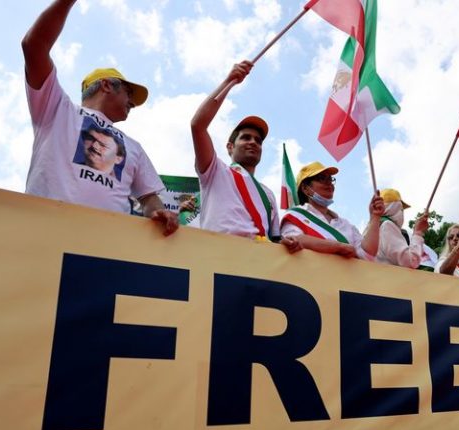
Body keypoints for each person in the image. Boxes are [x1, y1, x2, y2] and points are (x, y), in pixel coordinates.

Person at [22, 0, 177, 235]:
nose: (132, 103)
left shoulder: (134, 147)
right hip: (44, 232)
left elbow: (148, 198)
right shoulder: (57, 109)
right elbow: (34, 45)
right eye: (128, 92)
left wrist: (158, 211)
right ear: (106, 85)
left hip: (107, 244)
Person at [190, 60, 299, 252]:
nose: (253, 142)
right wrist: (229, 81)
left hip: (259, 260)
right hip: (219, 255)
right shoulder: (215, 170)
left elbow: (274, 239)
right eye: (246, 138)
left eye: (258, 140)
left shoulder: (268, 194)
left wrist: (288, 243)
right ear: (230, 147)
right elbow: (198, 126)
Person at [280, 162, 384, 259]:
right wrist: (338, 247)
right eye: (322, 178)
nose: (329, 183)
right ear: (305, 188)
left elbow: (367, 254)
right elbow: (293, 238)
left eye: (330, 179)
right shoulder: (296, 215)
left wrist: (375, 217)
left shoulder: (345, 224)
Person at [375, 189, 429, 268]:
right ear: (395, 207)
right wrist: (418, 233)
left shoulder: (373, 228)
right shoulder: (387, 226)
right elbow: (411, 261)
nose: (402, 213)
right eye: (401, 209)